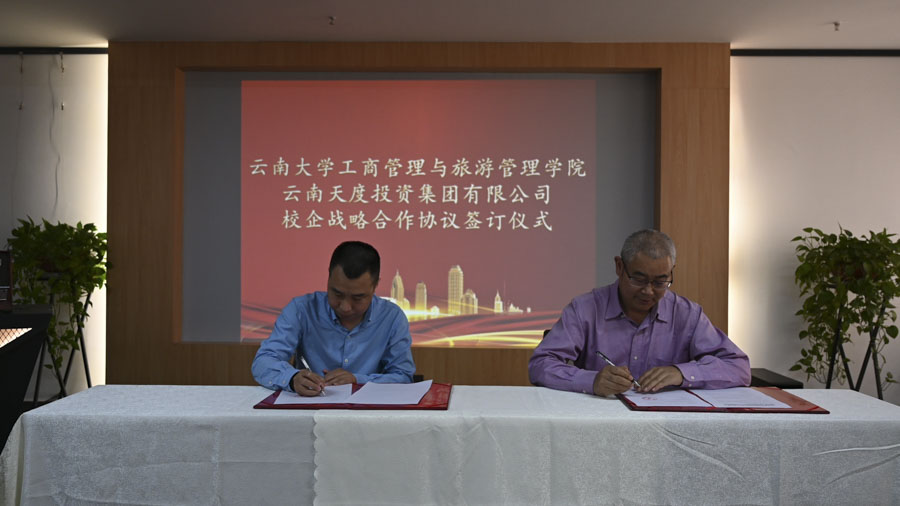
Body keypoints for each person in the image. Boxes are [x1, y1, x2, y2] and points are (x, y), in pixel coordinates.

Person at [528, 229, 750, 396]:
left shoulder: (687, 314)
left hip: (667, 425)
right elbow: (540, 365)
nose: (648, 291)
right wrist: (592, 381)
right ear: (619, 267)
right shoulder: (585, 309)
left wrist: (682, 373)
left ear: (671, 272)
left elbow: (739, 367)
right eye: (638, 279)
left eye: (660, 282)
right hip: (597, 421)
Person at [252, 241, 415, 396]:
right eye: (337, 294)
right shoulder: (302, 310)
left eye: (358, 298)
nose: (345, 306)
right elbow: (263, 361)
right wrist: (292, 378)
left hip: (369, 411)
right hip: (310, 406)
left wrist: (357, 380)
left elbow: (403, 377)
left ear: (375, 285)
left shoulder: (392, 318)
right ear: (328, 277)